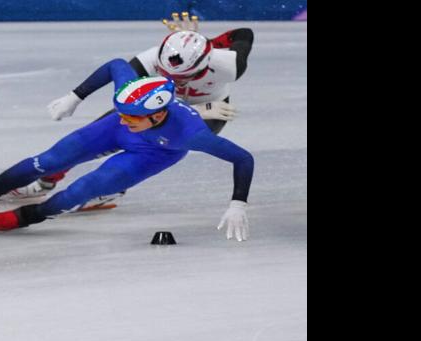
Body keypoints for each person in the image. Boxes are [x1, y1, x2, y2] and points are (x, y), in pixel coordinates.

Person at [0, 62, 254, 240]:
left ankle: (31, 215)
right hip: (112, 133)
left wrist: (238, 203)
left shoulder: (191, 134)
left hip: (151, 154)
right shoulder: (129, 104)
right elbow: (115, 65)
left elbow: (243, 158)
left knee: (86, 188)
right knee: (50, 160)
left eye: (132, 116)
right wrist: (75, 96)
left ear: (158, 114)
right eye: (121, 111)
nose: (125, 120)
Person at [15, 13, 255, 205]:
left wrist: (203, 45)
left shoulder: (229, 65)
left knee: (158, 146)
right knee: (93, 135)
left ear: (203, 66)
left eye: (180, 77)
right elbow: (124, 88)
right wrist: (75, 97)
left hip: (211, 111)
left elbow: (244, 33)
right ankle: (47, 180)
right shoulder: (149, 59)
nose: (170, 81)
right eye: (164, 73)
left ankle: (115, 187)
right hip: (166, 105)